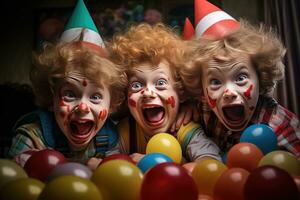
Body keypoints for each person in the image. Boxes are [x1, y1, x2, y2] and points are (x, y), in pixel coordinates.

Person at [8, 0, 127, 168]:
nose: (83, 108)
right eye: (70, 94)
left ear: (111, 104)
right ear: (51, 98)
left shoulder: (112, 138)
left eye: (95, 96)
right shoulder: (32, 137)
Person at [180, 0, 300, 158]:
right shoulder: (202, 111)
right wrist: (185, 105)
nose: (229, 92)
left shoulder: (283, 125)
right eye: (215, 82)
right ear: (202, 89)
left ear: (260, 77)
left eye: (241, 77)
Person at [110, 23, 221, 163]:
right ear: (125, 95)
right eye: (137, 85)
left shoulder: (184, 129)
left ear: (180, 91)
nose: (148, 93)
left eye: (160, 83)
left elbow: (211, 164)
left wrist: (157, 162)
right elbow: (106, 166)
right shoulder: (125, 132)